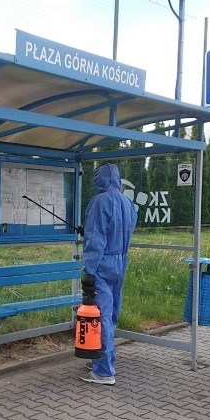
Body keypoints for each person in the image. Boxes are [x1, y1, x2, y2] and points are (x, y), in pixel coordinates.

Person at [80, 163, 137, 385]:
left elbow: (96, 240)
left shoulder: (100, 201)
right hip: (120, 263)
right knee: (111, 315)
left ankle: (103, 371)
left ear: (99, 179)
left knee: (100, 317)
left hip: (102, 265)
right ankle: (105, 360)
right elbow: (122, 229)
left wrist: (88, 270)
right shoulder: (126, 202)